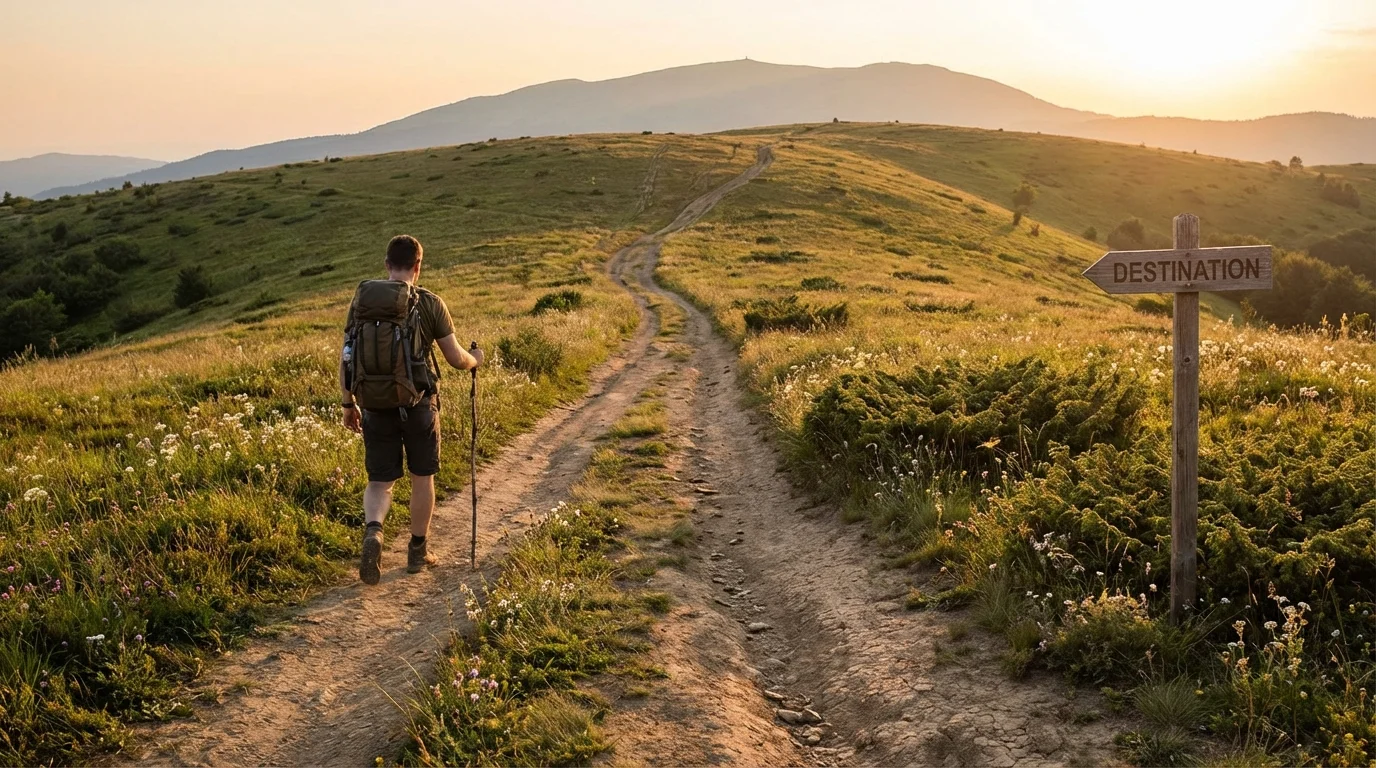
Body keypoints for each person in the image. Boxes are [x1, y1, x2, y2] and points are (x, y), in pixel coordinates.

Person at [340, 234, 483, 585]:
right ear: (418, 266)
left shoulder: (361, 303)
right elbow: (454, 358)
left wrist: (348, 403)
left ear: (387, 264)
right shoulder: (430, 303)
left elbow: (346, 357)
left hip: (374, 406)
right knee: (422, 478)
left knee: (380, 481)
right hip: (418, 405)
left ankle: (374, 531)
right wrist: (475, 359)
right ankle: (417, 551)